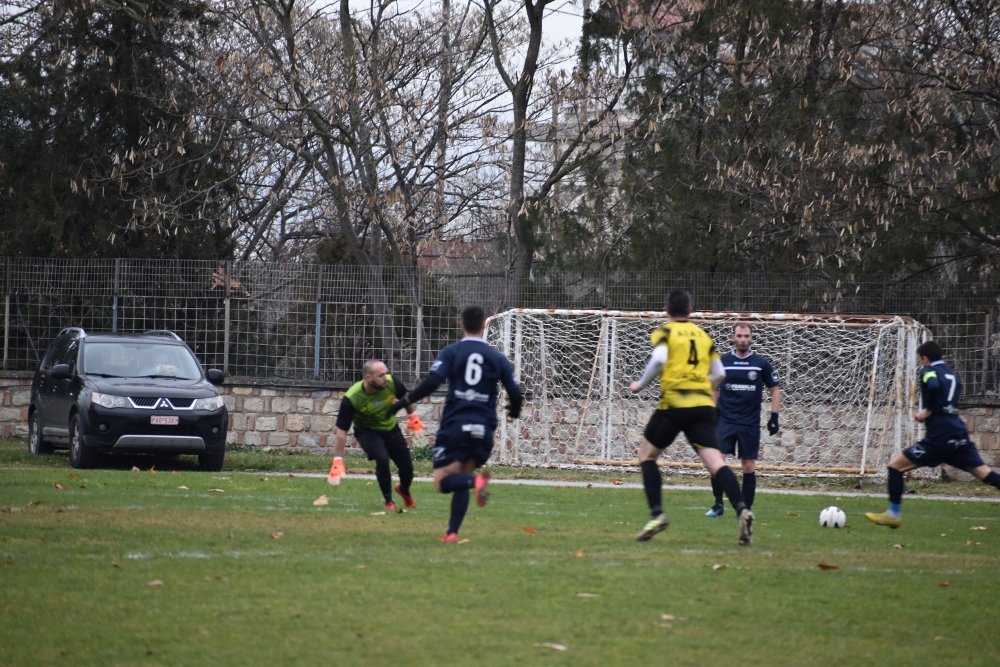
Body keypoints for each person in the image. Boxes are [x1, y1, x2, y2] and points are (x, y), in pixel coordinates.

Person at [387, 305, 523, 543]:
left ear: (461, 324)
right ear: (484, 326)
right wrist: (514, 411)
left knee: (442, 481)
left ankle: (476, 482)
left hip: (456, 425)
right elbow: (515, 392)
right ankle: (452, 532)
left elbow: (433, 382)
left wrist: (403, 402)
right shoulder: (497, 358)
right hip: (483, 427)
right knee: (463, 474)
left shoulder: (452, 352)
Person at [629, 289, 755, 546]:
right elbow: (719, 375)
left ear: (667, 310)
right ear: (690, 310)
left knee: (646, 456)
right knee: (716, 463)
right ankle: (742, 509)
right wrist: (701, 383)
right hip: (702, 406)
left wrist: (641, 384)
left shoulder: (666, 331)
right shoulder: (703, 336)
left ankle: (657, 515)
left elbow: (660, 358)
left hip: (674, 403)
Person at [866, 340, 1000, 528]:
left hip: (940, 434)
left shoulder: (928, 370)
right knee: (984, 473)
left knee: (894, 466)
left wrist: (927, 411)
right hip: (958, 431)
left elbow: (934, 386)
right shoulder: (952, 374)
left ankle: (893, 514)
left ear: (925, 358)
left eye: (921, 360)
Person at [705, 323, 781, 517]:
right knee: (717, 462)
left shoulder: (761, 363)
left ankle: (745, 510)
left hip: (750, 423)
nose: (743, 339)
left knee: (748, 465)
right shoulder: (723, 361)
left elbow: (774, 389)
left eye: (746, 336)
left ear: (751, 338)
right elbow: (713, 386)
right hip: (726, 420)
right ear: (733, 337)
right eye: (739, 336)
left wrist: (774, 416)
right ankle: (718, 504)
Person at [329, 360, 421, 511]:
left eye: (386, 373)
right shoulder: (352, 398)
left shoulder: (392, 383)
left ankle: (404, 490)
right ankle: (388, 500)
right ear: (368, 377)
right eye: (381, 375)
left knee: (407, 468)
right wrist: (337, 461)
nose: (386, 377)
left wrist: (413, 417)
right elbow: (341, 432)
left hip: (390, 428)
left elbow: (406, 399)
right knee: (382, 458)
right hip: (367, 431)